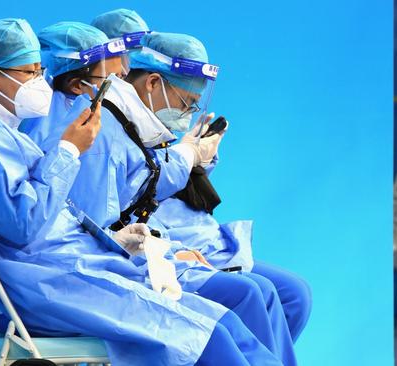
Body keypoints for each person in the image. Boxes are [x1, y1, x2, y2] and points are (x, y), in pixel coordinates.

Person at [0, 18, 283, 365]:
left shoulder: (2, 131)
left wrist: (112, 238)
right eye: (33, 72)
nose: (42, 81)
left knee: (226, 323)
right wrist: (68, 150)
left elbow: (53, 209)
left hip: (74, 264)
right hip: (48, 280)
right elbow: (23, 224)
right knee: (205, 337)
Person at [32, 29, 296, 365]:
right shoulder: (85, 133)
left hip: (126, 255)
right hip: (88, 274)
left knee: (276, 299)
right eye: (116, 71)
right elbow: (73, 221)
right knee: (241, 306)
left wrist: (192, 159)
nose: (125, 76)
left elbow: (134, 195)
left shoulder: (108, 128)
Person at [93, 8, 313, 344]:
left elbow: (149, 183)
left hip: (184, 240)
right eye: (125, 56)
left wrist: (194, 158)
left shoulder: (141, 120)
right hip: (148, 252)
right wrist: (185, 157)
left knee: (294, 295)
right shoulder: (96, 125)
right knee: (254, 295)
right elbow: (118, 208)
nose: (128, 67)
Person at [18, 21, 126, 143]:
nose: (123, 86)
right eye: (111, 80)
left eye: (121, 77)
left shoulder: (103, 122)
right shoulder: (51, 137)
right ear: (77, 85)